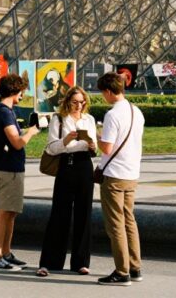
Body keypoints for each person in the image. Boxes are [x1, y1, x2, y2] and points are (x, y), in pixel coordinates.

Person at [36, 86, 96, 278]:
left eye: (82, 102)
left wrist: (92, 145)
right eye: (75, 102)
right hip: (66, 166)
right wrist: (66, 141)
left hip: (85, 166)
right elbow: (52, 148)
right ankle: (50, 262)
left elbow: (91, 146)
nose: (79, 106)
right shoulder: (59, 119)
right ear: (67, 101)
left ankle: (80, 262)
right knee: (59, 214)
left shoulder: (89, 119)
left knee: (83, 214)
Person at [96, 72, 145, 287]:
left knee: (115, 224)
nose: (103, 97)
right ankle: (135, 267)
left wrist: (92, 137)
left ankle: (122, 271)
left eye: (102, 93)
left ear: (108, 91)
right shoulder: (137, 111)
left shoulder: (112, 115)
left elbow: (107, 147)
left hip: (114, 175)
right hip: (132, 173)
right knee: (129, 221)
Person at [0, 73, 41, 272]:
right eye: (21, 92)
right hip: (8, 169)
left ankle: (6, 253)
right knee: (4, 213)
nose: (22, 96)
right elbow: (17, 143)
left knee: (10, 213)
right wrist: (31, 132)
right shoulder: (4, 112)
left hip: (11, 168)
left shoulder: (5, 112)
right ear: (15, 91)